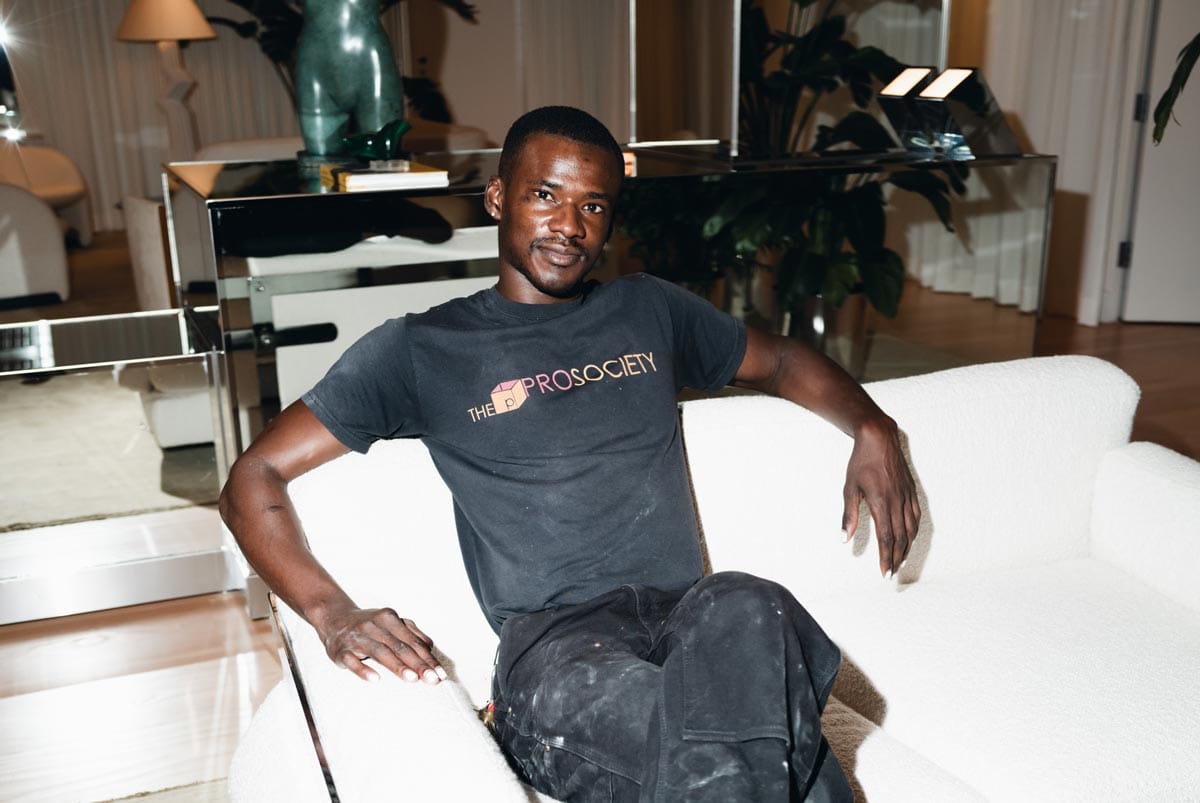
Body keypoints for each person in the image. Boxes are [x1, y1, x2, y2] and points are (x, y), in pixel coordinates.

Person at [220, 106, 920, 802]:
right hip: (556, 657)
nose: (569, 225)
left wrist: (872, 425)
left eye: (593, 205)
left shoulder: (649, 309)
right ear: (498, 198)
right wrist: (332, 612)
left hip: (692, 619)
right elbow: (253, 476)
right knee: (762, 749)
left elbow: (781, 361)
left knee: (752, 600)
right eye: (544, 195)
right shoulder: (422, 348)